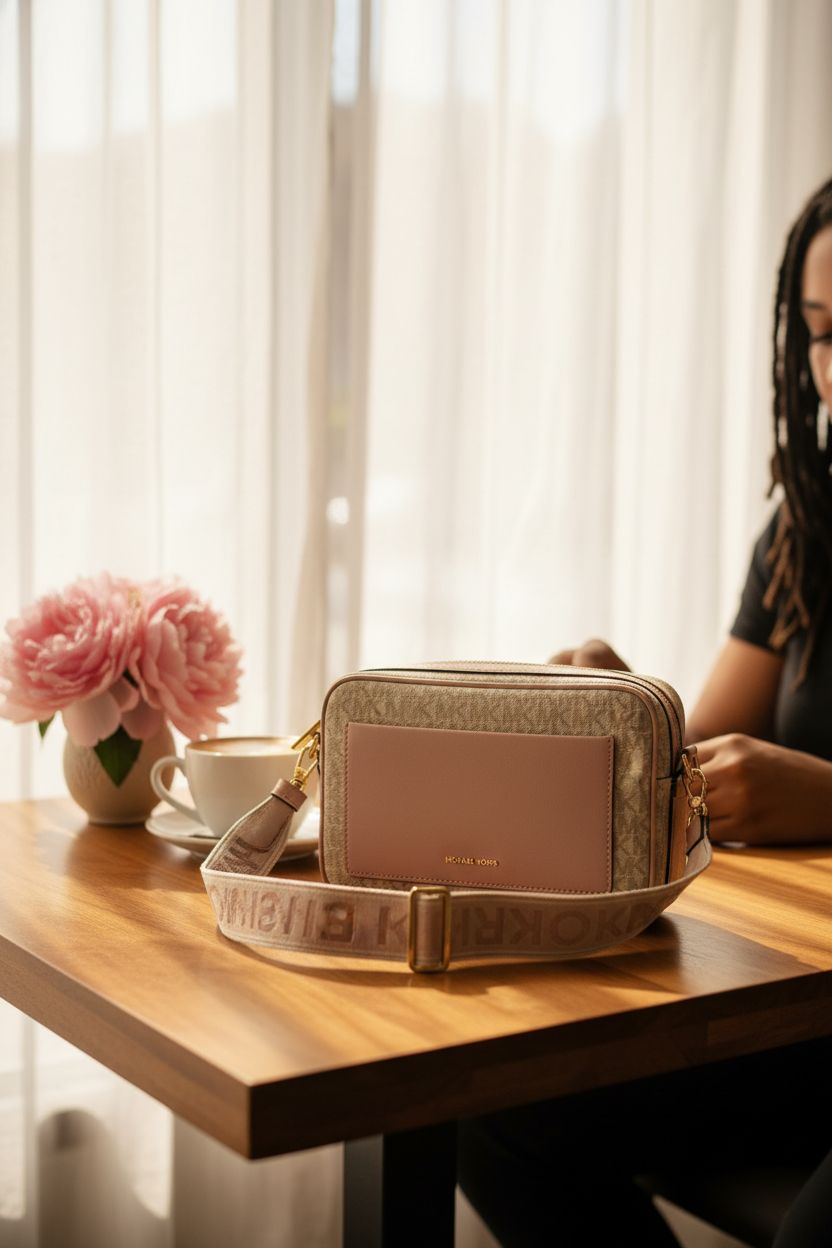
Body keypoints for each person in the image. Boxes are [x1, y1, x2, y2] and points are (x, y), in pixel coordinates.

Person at [458, 176, 832, 1246]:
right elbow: (706, 752)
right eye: (815, 334)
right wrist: (625, 708)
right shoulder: (804, 525)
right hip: (801, 1012)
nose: (830, 364)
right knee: (489, 1112)